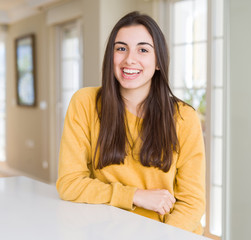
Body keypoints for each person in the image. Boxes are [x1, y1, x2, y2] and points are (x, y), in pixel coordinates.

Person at [56, 11, 205, 235]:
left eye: (143, 50)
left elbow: (192, 202)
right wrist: (135, 195)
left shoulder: (184, 117)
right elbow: (69, 183)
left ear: (158, 62)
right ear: (111, 56)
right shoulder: (85, 103)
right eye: (121, 48)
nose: (129, 59)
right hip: (107, 229)